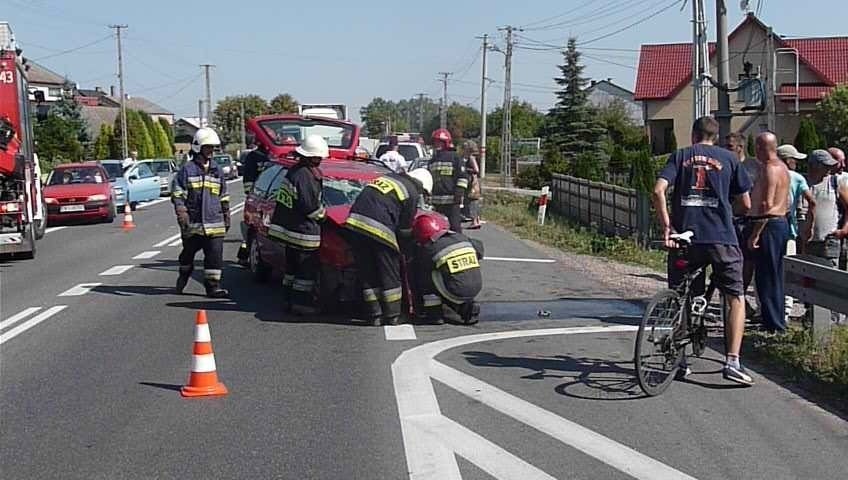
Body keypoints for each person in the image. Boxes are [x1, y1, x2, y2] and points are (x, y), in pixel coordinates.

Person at [653, 116, 754, 385]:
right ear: (716, 137)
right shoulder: (730, 159)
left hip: (685, 237)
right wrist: (725, 215)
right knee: (735, 296)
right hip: (721, 237)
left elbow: (658, 189)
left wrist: (667, 226)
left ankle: (680, 359)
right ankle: (732, 360)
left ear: (693, 135)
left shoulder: (681, 155)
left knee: (682, 295)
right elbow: (745, 202)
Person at [344, 168, 433, 326]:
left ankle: (374, 315)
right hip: (379, 227)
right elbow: (404, 229)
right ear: (421, 186)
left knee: (368, 272)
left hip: (354, 223)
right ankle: (393, 315)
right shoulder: (411, 192)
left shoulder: (388, 178)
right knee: (389, 271)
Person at [268, 135, 329, 316]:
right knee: (305, 273)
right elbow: (310, 206)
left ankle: (287, 300)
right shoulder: (305, 176)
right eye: (318, 157)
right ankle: (301, 305)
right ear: (311, 157)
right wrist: (325, 217)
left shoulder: (295, 171)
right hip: (303, 232)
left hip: (289, 229)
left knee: (291, 270)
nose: (320, 160)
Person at [172, 127, 230, 298]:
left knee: (214, 257)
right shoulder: (187, 170)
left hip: (215, 223)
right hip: (193, 224)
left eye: (213, 148)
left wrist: (226, 214)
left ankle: (213, 288)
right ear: (198, 147)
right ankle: (184, 274)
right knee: (187, 255)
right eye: (208, 147)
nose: (211, 151)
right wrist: (182, 213)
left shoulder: (217, 170)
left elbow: (223, 194)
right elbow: (177, 194)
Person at [744, 133, 790, 333]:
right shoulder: (783, 167)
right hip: (778, 223)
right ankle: (773, 319)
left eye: (757, 147)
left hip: (768, 225)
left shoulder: (771, 169)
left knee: (767, 277)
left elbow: (767, 204)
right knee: (772, 274)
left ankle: (773, 323)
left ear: (763, 148)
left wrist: (755, 233)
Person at [411, 215, 483, 325]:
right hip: (476, 286)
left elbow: (421, 271)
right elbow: (480, 249)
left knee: (425, 275)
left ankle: (434, 314)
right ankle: (467, 306)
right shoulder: (461, 237)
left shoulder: (430, 248)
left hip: (455, 290)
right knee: (447, 271)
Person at [805, 149, 848, 324]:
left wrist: (844, 230)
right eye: (826, 166)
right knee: (808, 280)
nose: (829, 169)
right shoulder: (805, 182)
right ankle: (811, 317)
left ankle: (834, 319)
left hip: (829, 239)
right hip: (808, 240)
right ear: (815, 166)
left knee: (830, 279)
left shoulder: (834, 182)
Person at [777, 144, 816, 323]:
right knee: (789, 273)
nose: (797, 163)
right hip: (789, 229)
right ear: (787, 160)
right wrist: (809, 225)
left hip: (768, 229)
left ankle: (768, 310)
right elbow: (811, 201)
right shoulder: (797, 178)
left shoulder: (767, 173)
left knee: (769, 271)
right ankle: (785, 312)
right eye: (794, 159)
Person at [726, 132, 760, 318]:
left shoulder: (753, 167)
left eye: (730, 146)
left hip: (748, 220)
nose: (726, 150)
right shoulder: (724, 165)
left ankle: (741, 297)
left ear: (740, 147)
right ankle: (735, 300)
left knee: (747, 263)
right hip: (728, 220)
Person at [237, 136, 271, 265]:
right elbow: (248, 178)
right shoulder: (254, 156)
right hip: (258, 197)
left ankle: (244, 255)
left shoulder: (274, 155)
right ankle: (244, 256)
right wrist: (252, 195)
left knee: (256, 229)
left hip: (268, 197)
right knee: (254, 226)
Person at [428, 128, 467, 233]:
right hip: (436, 203)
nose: (437, 145)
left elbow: (463, 177)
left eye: (439, 142)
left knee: (455, 228)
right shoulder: (432, 161)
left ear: (446, 142)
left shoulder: (455, 157)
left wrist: (459, 193)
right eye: (435, 142)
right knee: (436, 229)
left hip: (452, 201)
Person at [828, 147, 847, 271]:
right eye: (840, 162)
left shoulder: (843, 180)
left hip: (842, 233)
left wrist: (844, 230)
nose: (843, 165)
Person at [462, 140, 482, 229]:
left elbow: (476, 170)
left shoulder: (471, 158)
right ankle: (477, 220)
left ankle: (474, 221)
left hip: (472, 181)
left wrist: (465, 169)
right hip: (473, 181)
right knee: (474, 200)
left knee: (472, 200)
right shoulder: (471, 157)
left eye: (465, 148)